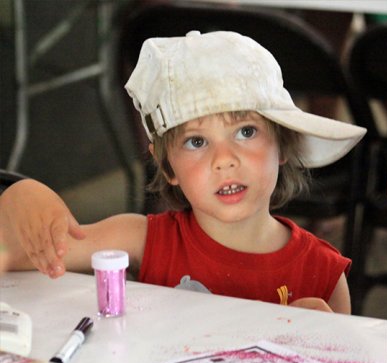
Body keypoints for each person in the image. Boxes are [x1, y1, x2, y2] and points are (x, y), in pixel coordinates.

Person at [0, 31, 366, 313]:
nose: (224, 159)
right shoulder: (140, 239)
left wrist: (318, 342)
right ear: (166, 164)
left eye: (246, 132)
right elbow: (13, 256)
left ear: (284, 145)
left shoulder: (324, 274)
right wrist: (20, 197)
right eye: (196, 142)